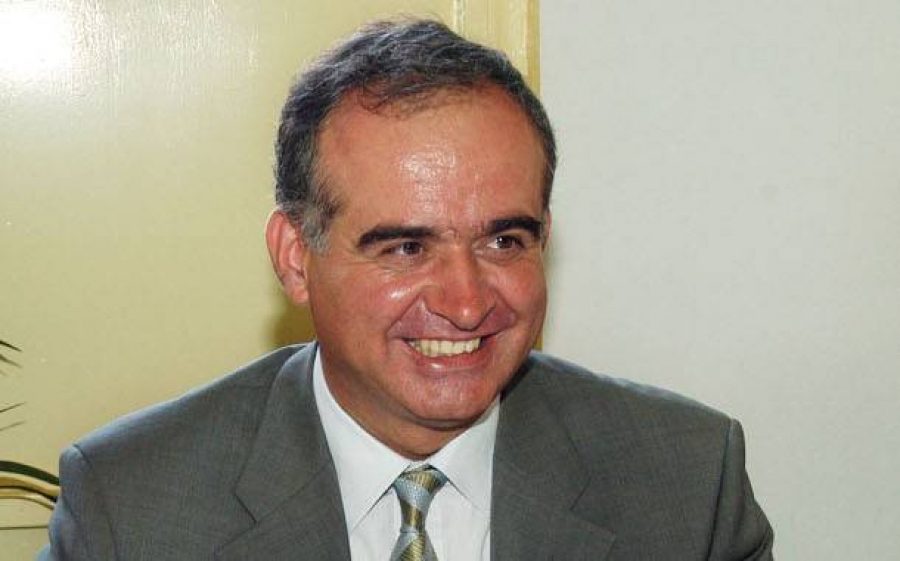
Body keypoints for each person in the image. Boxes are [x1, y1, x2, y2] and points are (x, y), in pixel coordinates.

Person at [40, 18, 773, 561]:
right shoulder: (131, 508)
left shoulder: (685, 484)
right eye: (406, 248)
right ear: (295, 258)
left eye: (503, 241)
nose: (466, 302)